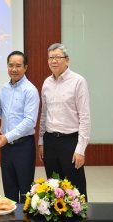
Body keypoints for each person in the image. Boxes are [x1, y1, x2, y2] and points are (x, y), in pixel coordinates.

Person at [38, 43, 91, 199]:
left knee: (75, 189)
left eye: (58, 57)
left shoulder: (78, 81)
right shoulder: (46, 83)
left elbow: (85, 117)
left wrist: (81, 148)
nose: (54, 61)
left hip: (70, 142)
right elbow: (44, 114)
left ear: (67, 60)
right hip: (50, 141)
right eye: (50, 58)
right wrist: (41, 140)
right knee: (54, 188)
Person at [0, 51, 40, 203]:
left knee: (26, 192)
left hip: (23, 147)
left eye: (18, 66)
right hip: (6, 148)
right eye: (11, 65)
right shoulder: (4, 88)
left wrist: (7, 137)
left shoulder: (30, 90)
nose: (14, 69)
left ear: (25, 67)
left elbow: (30, 122)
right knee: (9, 192)